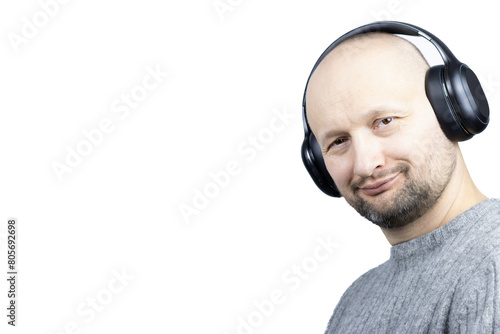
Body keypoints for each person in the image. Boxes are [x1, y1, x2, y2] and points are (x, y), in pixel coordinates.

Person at [301, 21, 500, 332]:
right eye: (338, 141)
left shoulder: (492, 266)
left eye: (385, 121)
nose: (365, 164)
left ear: (451, 110)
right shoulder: (355, 302)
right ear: (318, 163)